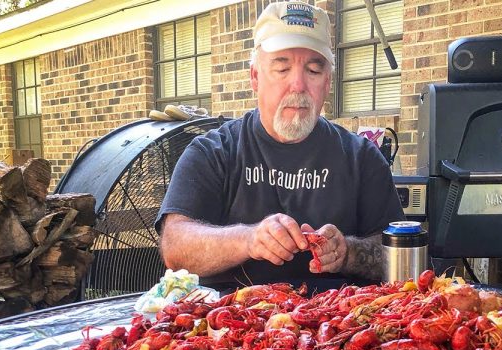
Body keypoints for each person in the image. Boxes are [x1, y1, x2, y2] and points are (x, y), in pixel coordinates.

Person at [157, 1, 404, 292]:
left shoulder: (362, 158)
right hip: (230, 324)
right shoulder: (213, 152)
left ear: (327, 82)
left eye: (313, 70)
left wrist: (347, 252)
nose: (298, 85)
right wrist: (249, 240)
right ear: (255, 78)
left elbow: (397, 256)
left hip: (340, 321)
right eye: (282, 68)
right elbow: (174, 247)